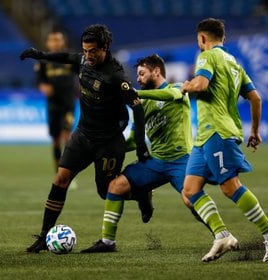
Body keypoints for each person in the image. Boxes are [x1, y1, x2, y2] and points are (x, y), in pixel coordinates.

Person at [20, 24, 149, 253]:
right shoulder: (83, 60)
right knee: (60, 179)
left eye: (93, 51)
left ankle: (141, 193)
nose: (88, 56)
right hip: (83, 135)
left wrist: (140, 145)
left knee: (105, 191)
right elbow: (65, 57)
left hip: (108, 142)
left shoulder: (116, 75)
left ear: (105, 48)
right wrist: (40, 55)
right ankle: (44, 236)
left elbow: (137, 108)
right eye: (85, 50)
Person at [181, 18, 268, 263]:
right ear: (223, 38)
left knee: (230, 187)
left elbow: (201, 83)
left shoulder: (207, 56)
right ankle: (222, 235)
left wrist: (187, 86)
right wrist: (255, 131)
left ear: (202, 39)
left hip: (217, 132)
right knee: (190, 189)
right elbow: (256, 98)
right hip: (205, 137)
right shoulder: (235, 64)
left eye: (199, 41)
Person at [81, 54, 208, 253]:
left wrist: (137, 95)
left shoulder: (177, 88)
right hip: (155, 161)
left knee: (190, 200)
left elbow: (172, 96)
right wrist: (110, 148)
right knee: (115, 187)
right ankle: (107, 242)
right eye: (137, 75)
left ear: (156, 71)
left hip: (181, 159)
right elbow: (134, 138)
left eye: (141, 74)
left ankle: (221, 235)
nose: (138, 79)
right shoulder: (142, 105)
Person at [35, 30, 78, 171]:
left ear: (63, 41)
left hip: (68, 102)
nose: (55, 43)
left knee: (67, 136)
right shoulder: (43, 60)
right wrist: (43, 86)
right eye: (52, 40)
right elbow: (39, 80)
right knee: (55, 139)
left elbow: (82, 74)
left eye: (58, 39)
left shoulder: (70, 57)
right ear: (48, 43)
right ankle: (57, 169)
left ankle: (66, 169)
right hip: (53, 104)